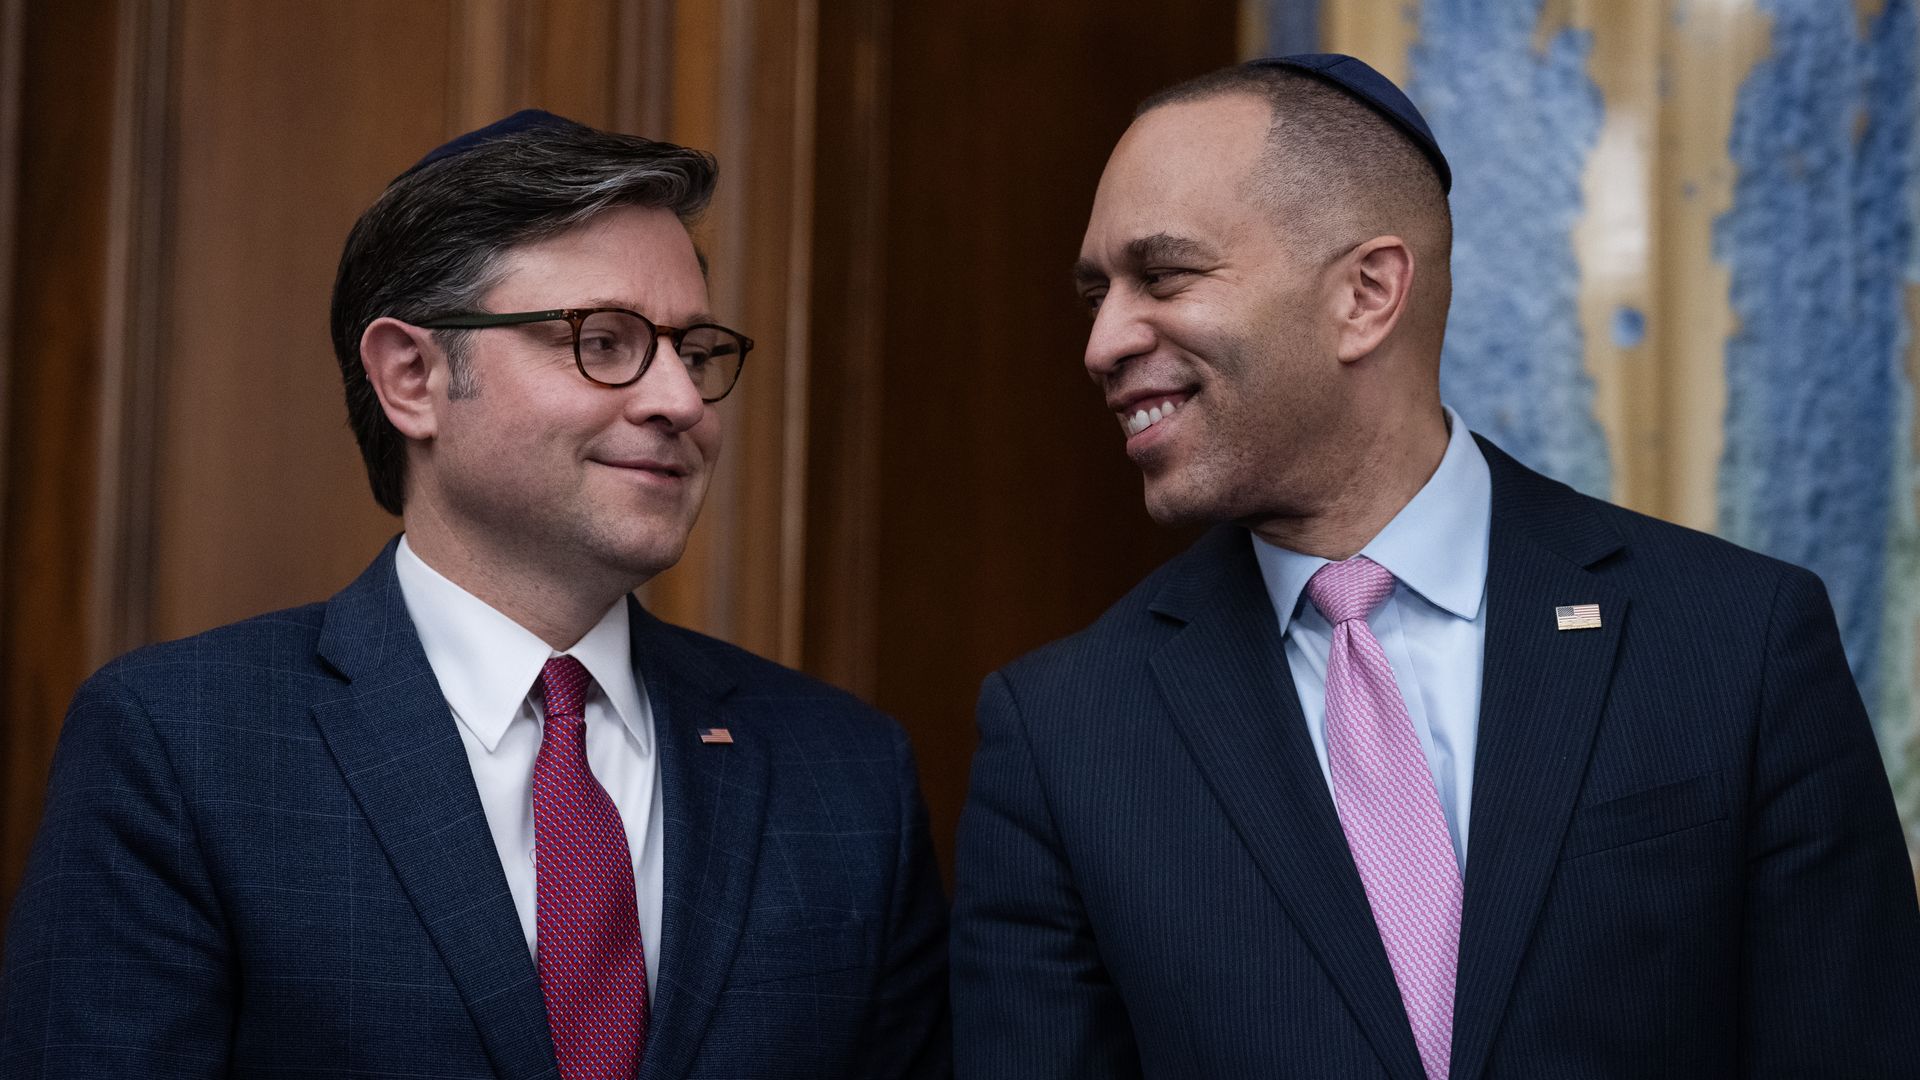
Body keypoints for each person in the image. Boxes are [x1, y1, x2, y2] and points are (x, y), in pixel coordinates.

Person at [950, 54, 1920, 1079]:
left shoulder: (1737, 644)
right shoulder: (1065, 736)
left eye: (1164, 276)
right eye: (1097, 293)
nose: (1103, 340)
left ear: (1366, 294)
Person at [1, 110, 948, 1079]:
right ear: (412, 377)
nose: (680, 400)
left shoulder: (846, 775)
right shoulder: (184, 744)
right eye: (603, 340)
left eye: (694, 348)